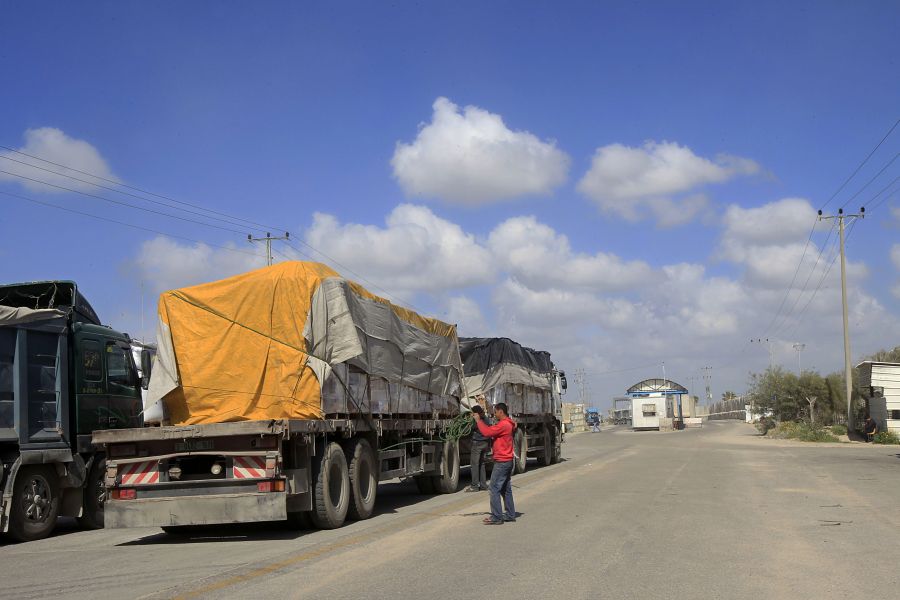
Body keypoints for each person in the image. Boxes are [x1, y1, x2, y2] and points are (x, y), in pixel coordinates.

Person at [472, 402, 516, 525]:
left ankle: (497, 516)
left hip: (502, 461)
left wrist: (478, 421)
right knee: (505, 489)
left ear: (501, 412)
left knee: (494, 488)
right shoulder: (509, 423)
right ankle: (510, 514)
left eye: (495, 412)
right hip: (507, 460)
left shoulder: (503, 425)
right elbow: (492, 430)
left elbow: (487, 432)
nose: (494, 414)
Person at [466, 403, 491, 492]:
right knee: (482, 464)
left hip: (477, 443)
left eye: (473, 413)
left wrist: (472, 420)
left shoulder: (477, 421)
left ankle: (474, 486)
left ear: (476, 413)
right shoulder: (486, 419)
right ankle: (483, 485)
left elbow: (470, 429)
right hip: (485, 443)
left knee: (474, 465)